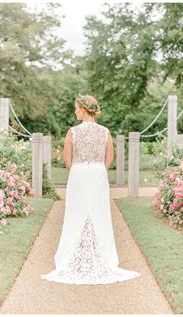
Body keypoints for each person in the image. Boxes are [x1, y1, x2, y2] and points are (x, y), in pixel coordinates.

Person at [41, 95, 141, 285]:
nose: (75, 111)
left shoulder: (73, 132)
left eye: (76, 108)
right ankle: (102, 255)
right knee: (100, 214)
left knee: (75, 214)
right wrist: (98, 170)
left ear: (84, 109)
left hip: (79, 173)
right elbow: (109, 158)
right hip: (98, 173)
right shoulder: (105, 132)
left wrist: (79, 171)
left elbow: (67, 160)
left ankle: (73, 255)